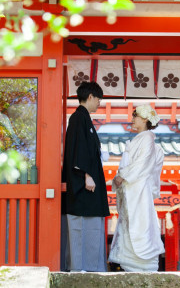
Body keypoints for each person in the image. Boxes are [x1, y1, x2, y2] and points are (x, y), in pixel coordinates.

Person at [108, 104, 165, 272]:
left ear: (145, 119)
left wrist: (122, 175)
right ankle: (130, 262)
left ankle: (142, 263)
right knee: (132, 222)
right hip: (133, 189)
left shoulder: (147, 138)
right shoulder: (141, 138)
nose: (132, 120)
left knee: (139, 223)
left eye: (135, 117)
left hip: (138, 190)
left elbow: (142, 164)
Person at [62, 81, 110, 272]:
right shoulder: (78, 118)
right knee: (80, 226)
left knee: (91, 227)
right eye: (98, 99)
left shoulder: (84, 118)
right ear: (90, 96)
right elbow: (79, 148)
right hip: (84, 185)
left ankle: (92, 267)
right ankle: (81, 268)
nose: (99, 103)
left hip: (89, 184)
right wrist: (87, 175)